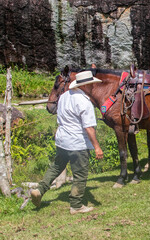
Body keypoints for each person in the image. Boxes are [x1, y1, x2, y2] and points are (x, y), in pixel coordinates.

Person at [30, 71, 104, 215]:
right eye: (91, 84)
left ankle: (39, 189)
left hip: (62, 140)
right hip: (77, 143)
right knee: (80, 174)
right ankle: (76, 205)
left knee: (56, 167)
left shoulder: (63, 97)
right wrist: (96, 146)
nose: (93, 86)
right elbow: (88, 127)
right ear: (86, 86)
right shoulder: (85, 102)